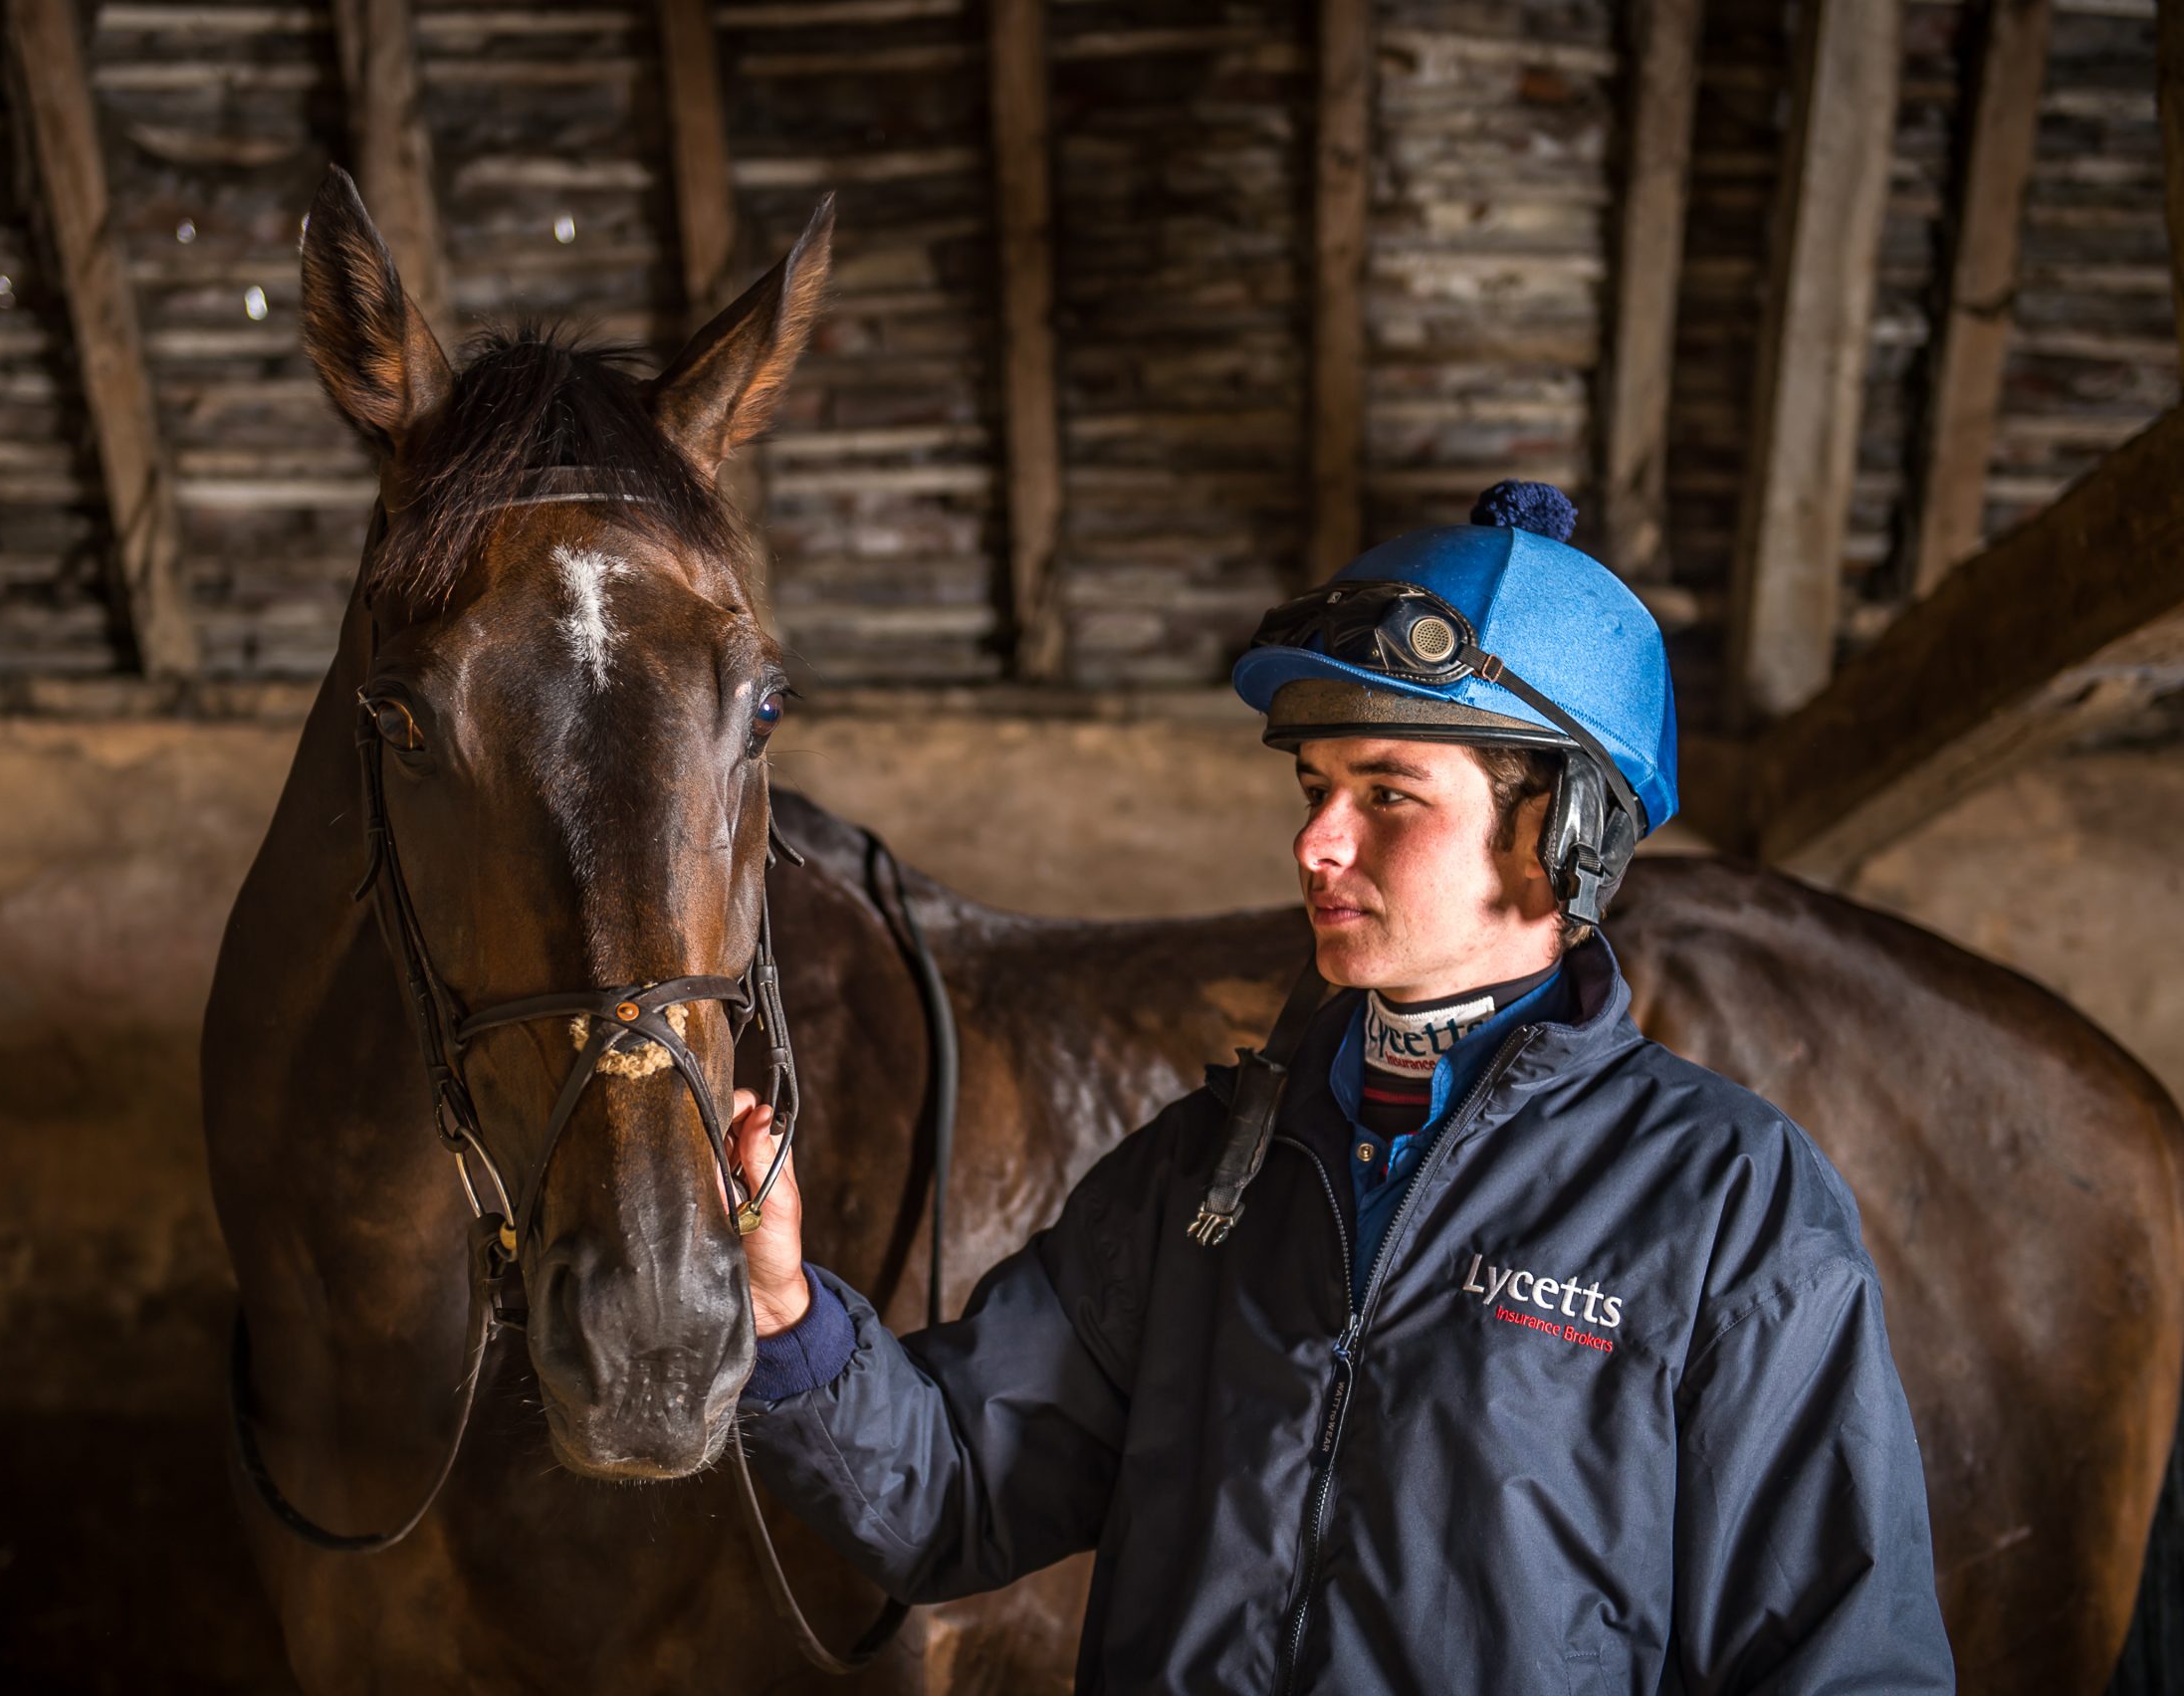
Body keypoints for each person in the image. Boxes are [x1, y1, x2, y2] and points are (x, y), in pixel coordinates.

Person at [722, 483, 1955, 1694]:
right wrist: (781, 1311)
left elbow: (1841, 1662)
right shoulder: (1209, 1169)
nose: (1316, 843)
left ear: (1563, 833)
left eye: (1386, 795)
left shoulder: (1726, 1198)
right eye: (1316, 790)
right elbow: (953, 1498)